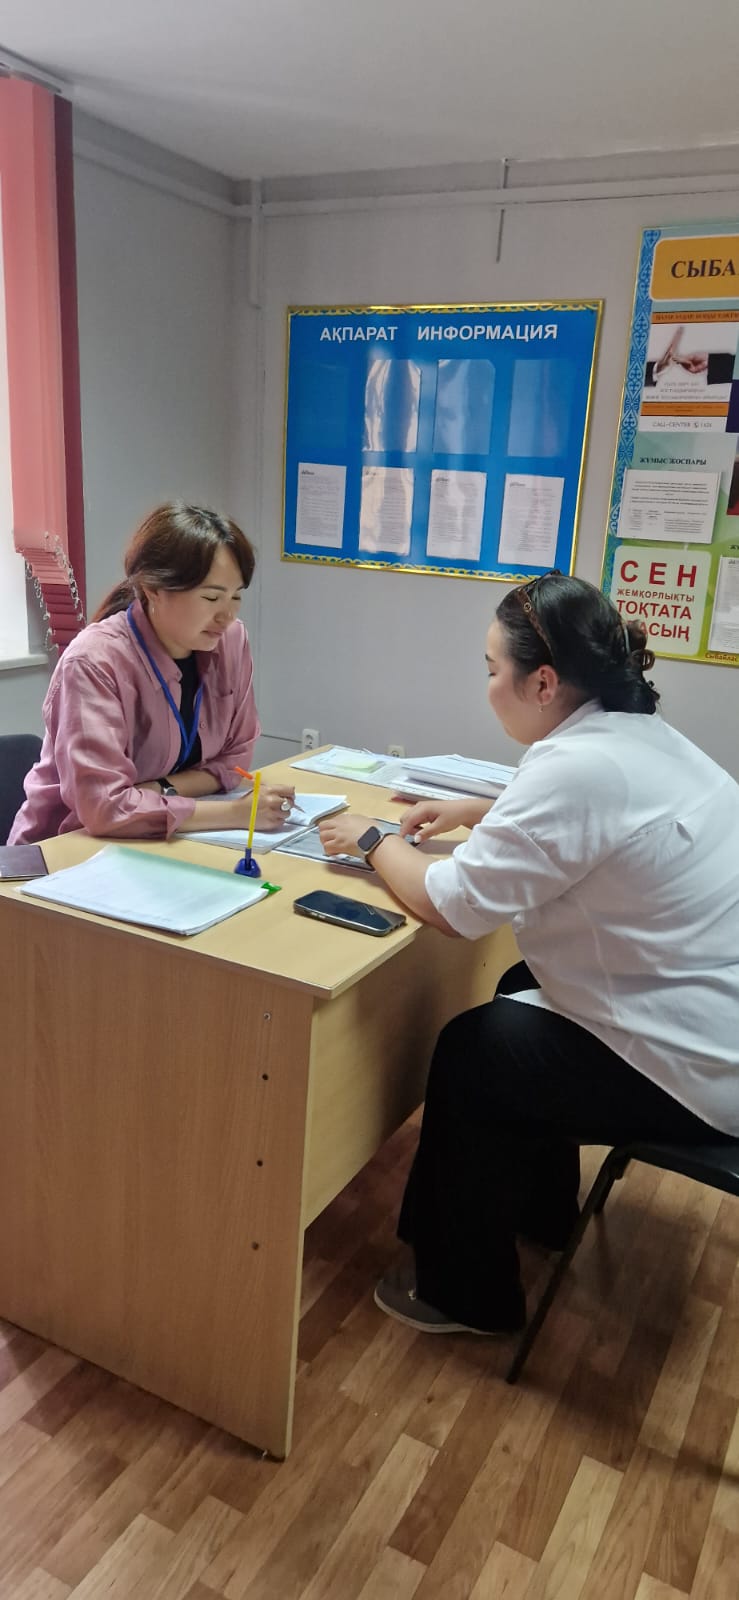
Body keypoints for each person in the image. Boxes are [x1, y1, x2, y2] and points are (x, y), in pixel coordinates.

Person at [319, 573, 739, 1336]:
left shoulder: (575, 768)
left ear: (542, 683)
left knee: (477, 1051)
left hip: (695, 1067)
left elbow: (450, 906)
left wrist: (371, 840)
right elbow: (594, 823)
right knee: (519, 983)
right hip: (707, 1016)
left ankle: (464, 1294)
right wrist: (480, 810)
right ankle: (540, 1212)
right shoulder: (640, 737)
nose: (486, 686)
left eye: (491, 669)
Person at [10, 502, 295, 844]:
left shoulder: (231, 641)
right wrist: (235, 813)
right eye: (211, 598)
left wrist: (158, 790)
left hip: (163, 838)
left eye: (236, 597)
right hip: (65, 849)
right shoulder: (93, 662)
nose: (227, 616)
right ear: (152, 590)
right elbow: (104, 809)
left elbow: (235, 758)